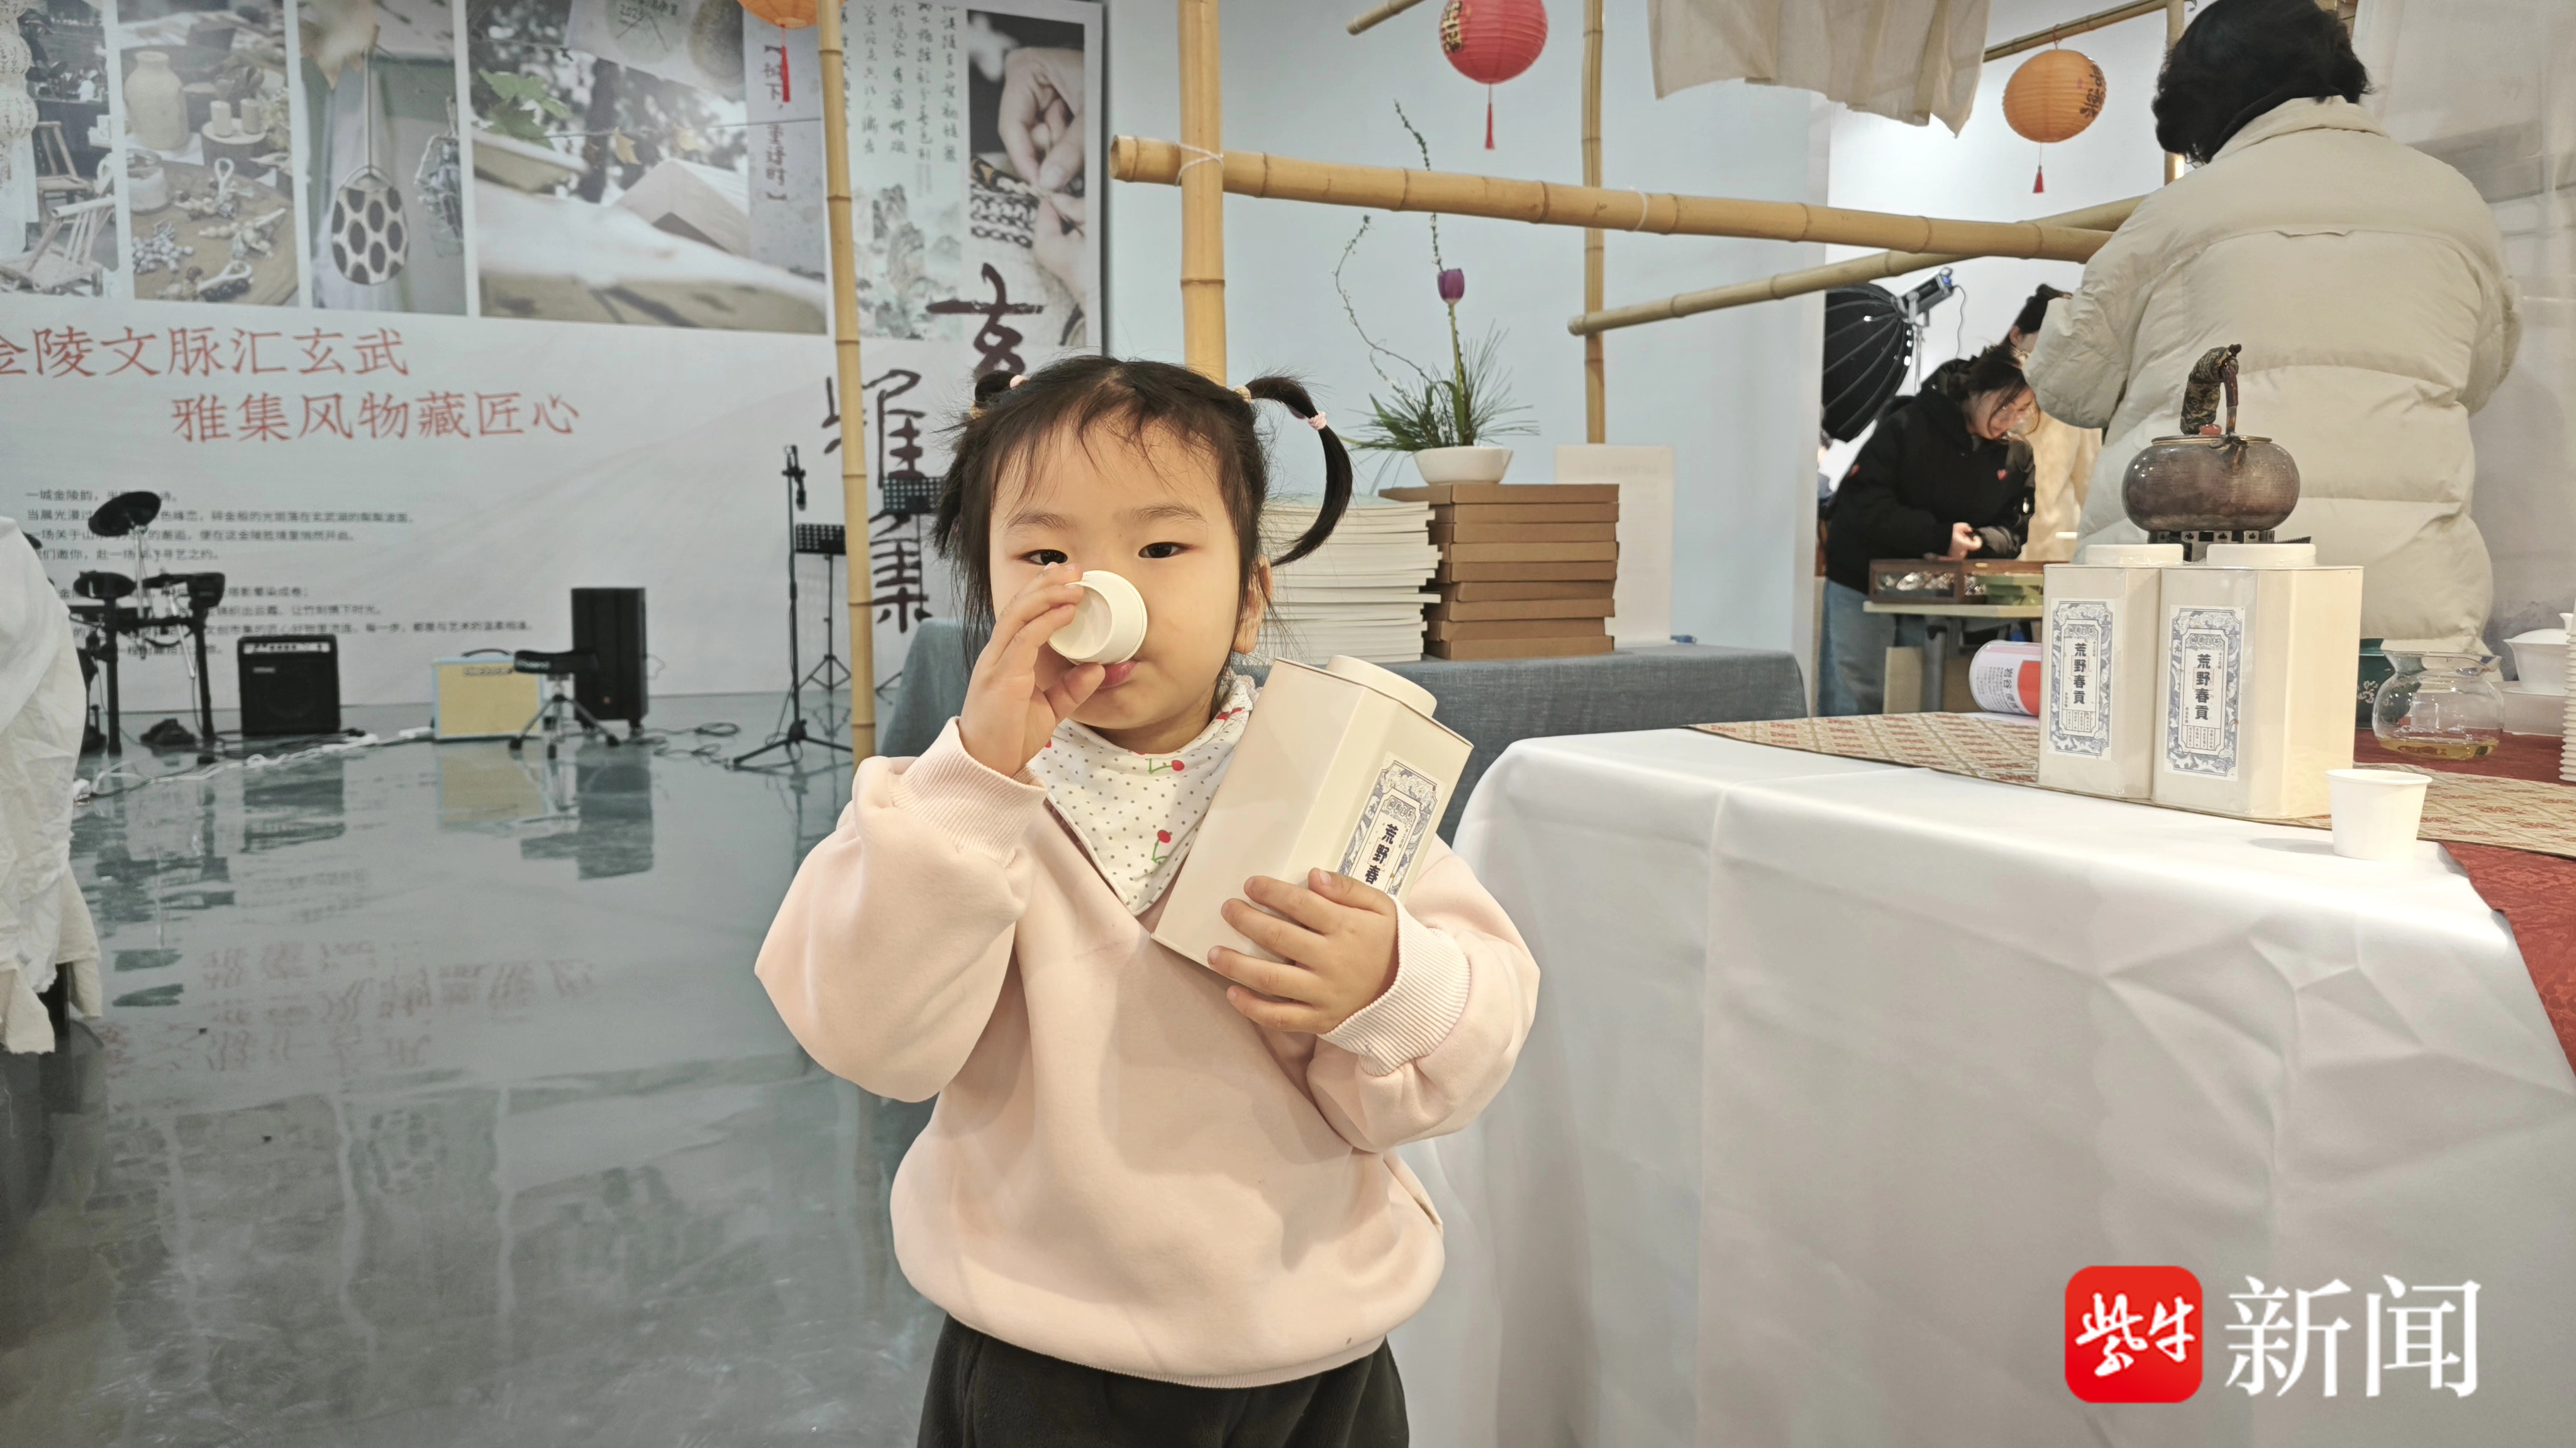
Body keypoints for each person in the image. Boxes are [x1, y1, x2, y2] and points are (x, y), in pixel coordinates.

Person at [756, 358, 1540, 1445]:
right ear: (989, 598)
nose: (1100, 591)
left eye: (1161, 549)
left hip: (1318, 1338)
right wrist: (974, 781)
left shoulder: (1332, 778)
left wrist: (1392, 981)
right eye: (1045, 555)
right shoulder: (952, 806)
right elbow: (870, 1034)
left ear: (1250, 598)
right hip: (1046, 1350)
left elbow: (1481, 1013)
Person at [2026, 0, 2518, 651]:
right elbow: (2479, 377)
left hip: (2206, 597)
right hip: (2410, 606)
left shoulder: (2177, 214)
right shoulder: (2454, 204)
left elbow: (2069, 387)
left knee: (2197, 711)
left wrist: (2063, 315)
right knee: (2389, 717)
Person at [1818, 343, 2037, 716]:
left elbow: (2014, 529)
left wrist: (1976, 543)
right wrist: (1938, 536)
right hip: (1862, 578)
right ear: (1976, 390)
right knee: (1856, 696)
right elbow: (1864, 504)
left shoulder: (2017, 454)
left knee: (1917, 698)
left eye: (2022, 411)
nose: (2009, 420)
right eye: (2004, 405)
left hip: (1937, 593)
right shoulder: (1910, 423)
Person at [0, 519, 101, 1054]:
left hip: (25, 746)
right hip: (29, 752)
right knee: (29, 859)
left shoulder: (8, 553)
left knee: (27, 857)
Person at [2006, 284, 2101, 563]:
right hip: (1994, 544)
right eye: (2049, 341)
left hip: (2052, 549)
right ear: (2016, 336)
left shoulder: (2076, 398)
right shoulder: (1983, 393)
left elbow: (2089, 483)